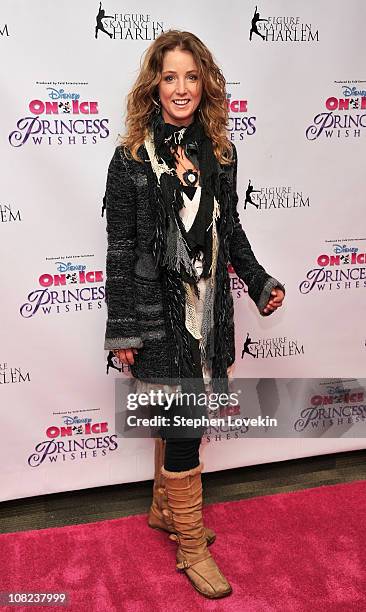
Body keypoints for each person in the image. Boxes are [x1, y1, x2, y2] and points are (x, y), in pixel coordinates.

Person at [102, 29, 285, 599]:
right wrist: (123, 330)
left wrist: (258, 281)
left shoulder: (221, 154)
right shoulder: (130, 158)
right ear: (153, 86)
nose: (180, 87)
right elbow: (120, 248)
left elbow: (228, 227)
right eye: (169, 76)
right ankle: (191, 545)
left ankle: (165, 511)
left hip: (209, 312)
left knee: (185, 418)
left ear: (204, 83)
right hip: (158, 314)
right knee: (183, 425)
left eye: (190, 76)